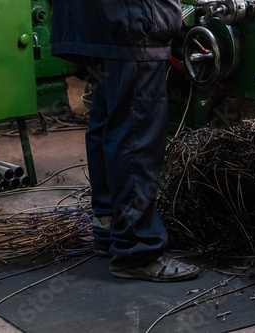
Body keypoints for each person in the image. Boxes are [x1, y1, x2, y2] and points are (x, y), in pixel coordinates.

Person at [51, 1, 199, 282]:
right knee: (136, 136)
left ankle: (108, 230)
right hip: (131, 21)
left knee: (109, 122)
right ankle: (137, 250)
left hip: (96, 22)